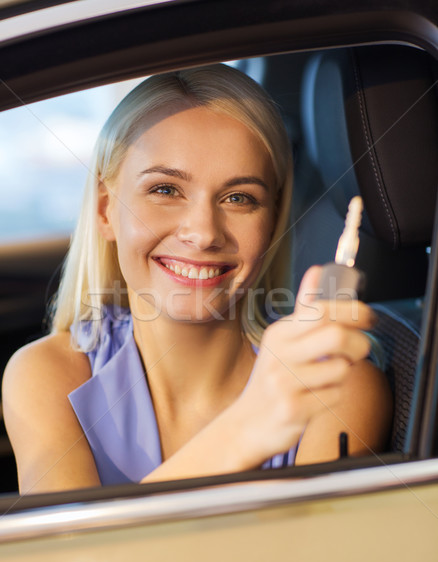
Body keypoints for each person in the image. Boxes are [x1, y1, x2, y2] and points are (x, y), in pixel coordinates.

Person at [2, 64, 392, 494]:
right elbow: (73, 560)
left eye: (239, 198)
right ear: (104, 210)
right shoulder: (46, 375)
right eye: (165, 190)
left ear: (271, 222)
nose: (204, 232)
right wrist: (249, 426)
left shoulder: (334, 385)